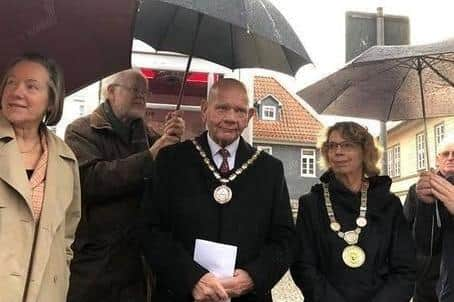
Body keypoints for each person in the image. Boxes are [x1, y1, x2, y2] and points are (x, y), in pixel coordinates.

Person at [141, 78, 295, 302]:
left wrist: (252, 277)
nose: (230, 118)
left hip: (247, 296)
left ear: (250, 116)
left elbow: (285, 240)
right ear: (204, 110)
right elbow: (150, 230)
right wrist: (192, 279)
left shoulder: (269, 169)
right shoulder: (172, 161)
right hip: (180, 294)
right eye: (222, 108)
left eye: (239, 111)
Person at [65, 69, 184, 302]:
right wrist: (150, 157)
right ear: (111, 92)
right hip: (94, 265)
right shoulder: (80, 131)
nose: (142, 96)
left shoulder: (151, 137)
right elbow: (91, 181)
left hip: (137, 268)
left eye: (145, 92)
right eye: (135, 90)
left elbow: (168, 190)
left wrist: (175, 146)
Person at [291, 121, 416, 302]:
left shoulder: (389, 204)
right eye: (332, 146)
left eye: (347, 145)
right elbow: (303, 267)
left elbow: (405, 270)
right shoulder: (312, 204)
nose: (338, 151)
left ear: (365, 151)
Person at [0, 53, 81, 302]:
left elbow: (67, 235)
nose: (16, 92)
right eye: (10, 83)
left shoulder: (66, 159)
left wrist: (61, 275)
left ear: (51, 101)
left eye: (31, 86)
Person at [412, 134, 454, 302]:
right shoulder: (416, 190)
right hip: (426, 286)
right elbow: (416, 242)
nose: (451, 158)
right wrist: (425, 205)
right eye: (445, 154)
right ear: (437, 159)